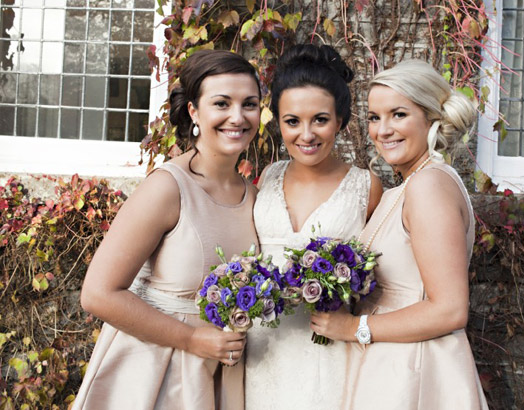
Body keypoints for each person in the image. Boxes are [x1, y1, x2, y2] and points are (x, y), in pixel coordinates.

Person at [73, 49, 261, 410]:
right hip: (152, 373)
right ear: (194, 111)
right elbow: (97, 294)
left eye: (249, 104)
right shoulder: (168, 187)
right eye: (221, 103)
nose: (237, 117)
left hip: (217, 374)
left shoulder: (254, 196)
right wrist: (190, 338)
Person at [310, 59, 489, 409]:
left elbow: (450, 310)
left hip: (416, 371)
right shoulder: (408, 187)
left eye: (398, 114)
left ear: (431, 117)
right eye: (375, 118)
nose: (383, 130)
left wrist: (352, 328)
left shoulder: (429, 186)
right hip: (390, 364)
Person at [244, 44, 382, 410]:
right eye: (293, 121)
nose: (306, 135)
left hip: (328, 351)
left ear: (341, 120)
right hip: (262, 348)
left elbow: (381, 280)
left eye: (320, 119)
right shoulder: (269, 177)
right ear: (278, 122)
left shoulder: (366, 187)